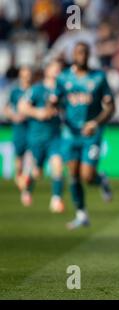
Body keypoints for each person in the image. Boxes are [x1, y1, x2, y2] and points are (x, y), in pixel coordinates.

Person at [55, 42, 115, 230]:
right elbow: (55, 103)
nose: (81, 56)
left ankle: (101, 180)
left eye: (84, 53)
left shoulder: (98, 77)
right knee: (73, 174)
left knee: (87, 176)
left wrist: (95, 123)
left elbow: (110, 106)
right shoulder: (63, 78)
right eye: (78, 52)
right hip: (70, 135)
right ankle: (81, 214)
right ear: (73, 55)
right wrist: (58, 114)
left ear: (88, 55)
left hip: (91, 134)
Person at [19, 60, 65, 213]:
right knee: (36, 172)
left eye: (59, 68)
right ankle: (27, 189)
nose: (57, 71)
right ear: (47, 71)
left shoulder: (63, 89)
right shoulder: (37, 89)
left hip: (55, 136)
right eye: (54, 68)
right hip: (37, 136)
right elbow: (22, 106)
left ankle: (56, 199)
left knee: (57, 164)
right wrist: (37, 113)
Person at [3, 66, 33, 201]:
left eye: (29, 74)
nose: (27, 77)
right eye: (24, 74)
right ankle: (21, 182)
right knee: (19, 162)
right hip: (19, 129)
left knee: (31, 160)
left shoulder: (35, 90)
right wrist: (14, 116)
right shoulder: (15, 92)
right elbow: (6, 108)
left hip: (33, 129)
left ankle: (26, 191)